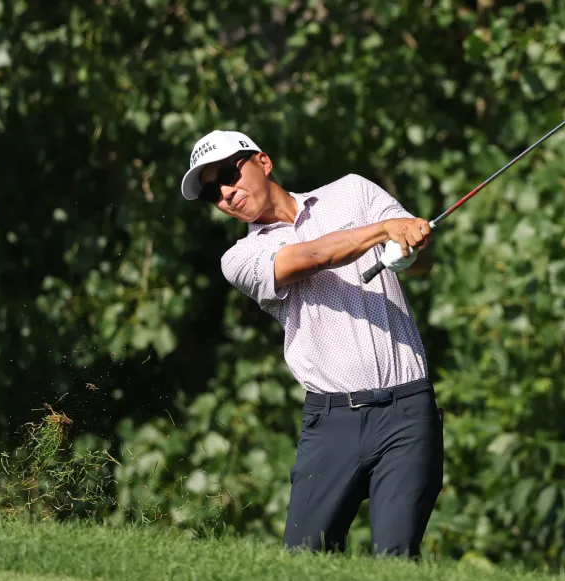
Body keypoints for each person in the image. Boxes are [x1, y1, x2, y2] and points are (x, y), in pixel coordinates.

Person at [180, 130, 443, 558]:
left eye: (229, 174)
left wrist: (411, 248)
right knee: (304, 562)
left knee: (397, 558)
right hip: (332, 422)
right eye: (213, 192)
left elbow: (422, 263)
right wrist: (382, 232)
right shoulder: (239, 259)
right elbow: (311, 257)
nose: (226, 192)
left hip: (407, 412)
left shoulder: (353, 191)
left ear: (263, 162)